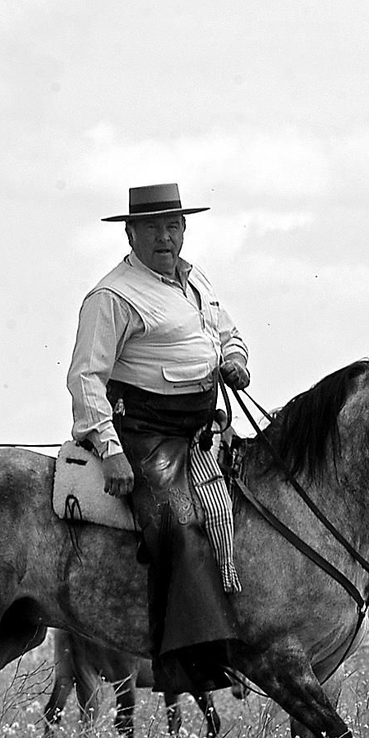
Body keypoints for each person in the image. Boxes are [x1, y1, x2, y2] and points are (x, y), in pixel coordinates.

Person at [67, 183, 249, 694]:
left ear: (186, 230)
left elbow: (227, 332)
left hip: (202, 426)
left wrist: (234, 358)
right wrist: (111, 451)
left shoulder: (196, 280)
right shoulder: (112, 296)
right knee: (179, 524)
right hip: (145, 434)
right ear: (130, 234)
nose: (165, 237)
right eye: (152, 228)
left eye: (173, 226)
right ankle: (194, 658)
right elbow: (86, 378)